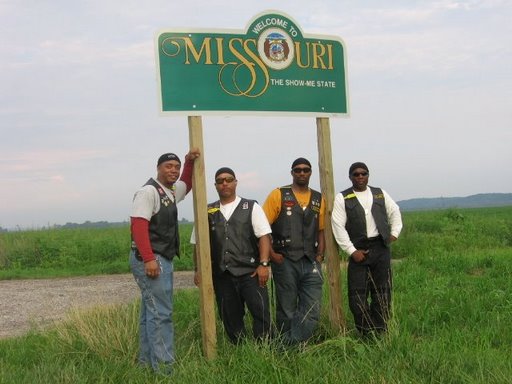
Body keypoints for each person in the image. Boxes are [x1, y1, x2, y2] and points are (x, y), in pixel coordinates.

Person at [129, 148, 200, 374]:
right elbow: (138, 226)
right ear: (158, 168)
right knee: (162, 314)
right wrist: (149, 259)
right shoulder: (148, 192)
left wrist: (188, 161)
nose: (174, 170)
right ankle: (165, 370)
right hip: (151, 259)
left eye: (176, 167)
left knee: (151, 312)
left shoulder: (169, 192)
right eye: (169, 166)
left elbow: (186, 184)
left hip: (161, 258)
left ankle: (146, 364)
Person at [192, 167, 272, 344]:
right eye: (220, 181)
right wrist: (198, 269)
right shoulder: (207, 211)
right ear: (215, 185)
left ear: (236, 182)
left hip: (251, 273)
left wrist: (264, 264)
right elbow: (198, 244)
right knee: (230, 317)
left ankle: (266, 349)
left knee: (261, 312)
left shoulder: (251, 206)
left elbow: (264, 236)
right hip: (222, 275)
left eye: (228, 179)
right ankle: (241, 350)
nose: (224, 183)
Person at [331, 162, 403, 337]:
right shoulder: (343, 198)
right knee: (358, 295)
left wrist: (394, 233)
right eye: (356, 174)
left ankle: (381, 330)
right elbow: (338, 226)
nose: (360, 177)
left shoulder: (380, 193)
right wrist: (352, 251)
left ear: (368, 175)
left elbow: (395, 211)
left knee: (382, 292)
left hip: (380, 248)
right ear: (350, 177)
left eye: (364, 173)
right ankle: (366, 332)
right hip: (359, 251)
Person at [262, 157, 325, 345]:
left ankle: (285, 346)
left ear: (310, 172)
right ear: (292, 173)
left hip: (311, 260)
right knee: (286, 309)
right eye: (298, 170)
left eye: (306, 170)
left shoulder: (318, 198)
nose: (302, 173)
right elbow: (262, 228)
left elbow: (321, 230)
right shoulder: (278, 194)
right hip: (285, 260)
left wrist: (320, 254)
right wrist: (272, 255)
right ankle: (292, 351)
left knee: (312, 309)